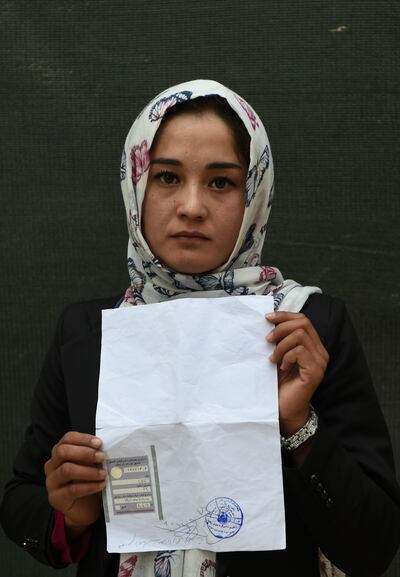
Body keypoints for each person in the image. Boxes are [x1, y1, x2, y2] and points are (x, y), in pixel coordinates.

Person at [1, 79, 399, 577]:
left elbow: (374, 546)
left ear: (254, 194)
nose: (191, 206)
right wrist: (71, 513)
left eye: (221, 182)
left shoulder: (304, 327)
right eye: (167, 177)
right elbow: (21, 502)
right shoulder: (89, 333)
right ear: (136, 186)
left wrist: (299, 426)